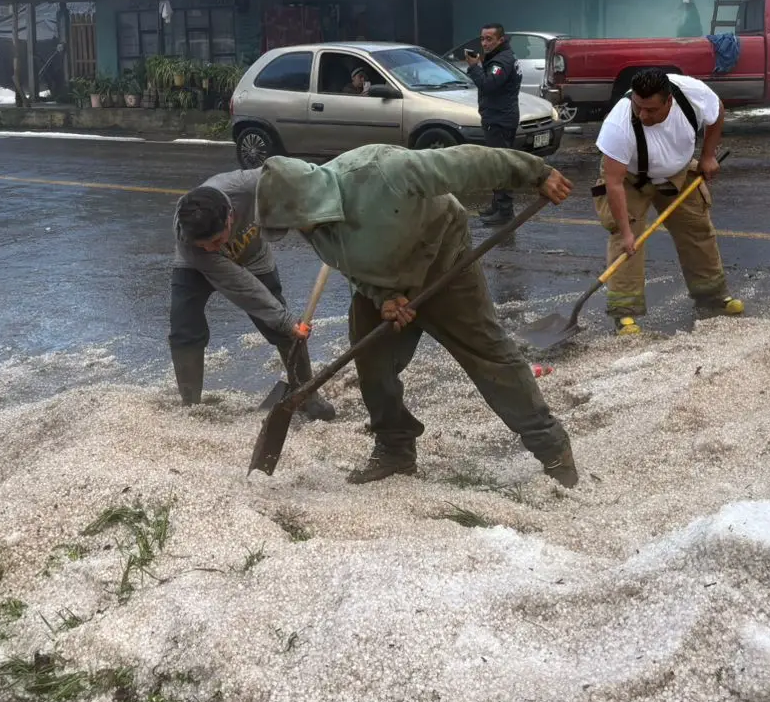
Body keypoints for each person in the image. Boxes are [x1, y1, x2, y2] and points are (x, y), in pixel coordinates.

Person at [256, 144, 578, 487]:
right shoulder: (314, 226)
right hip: (385, 284)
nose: (298, 232)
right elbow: (350, 265)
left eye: (296, 223)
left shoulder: (382, 171)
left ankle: (551, 447)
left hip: (445, 265)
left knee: (489, 356)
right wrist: (383, 297)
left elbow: (468, 163)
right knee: (371, 361)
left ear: (307, 201)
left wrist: (535, 173)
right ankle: (395, 448)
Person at [169, 171, 335, 421]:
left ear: (230, 216)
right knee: (184, 327)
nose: (213, 248)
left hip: (253, 255)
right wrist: (284, 318)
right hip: (197, 267)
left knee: (284, 330)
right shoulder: (189, 241)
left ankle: (306, 395)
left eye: (216, 241)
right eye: (204, 244)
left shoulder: (251, 184)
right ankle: (191, 407)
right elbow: (240, 286)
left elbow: (304, 179)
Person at [592, 68, 741, 336]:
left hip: (677, 173)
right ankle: (625, 313)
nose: (643, 114)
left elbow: (717, 112)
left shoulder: (692, 94)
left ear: (669, 101)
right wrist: (626, 233)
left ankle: (713, 298)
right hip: (630, 179)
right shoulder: (618, 124)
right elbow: (614, 183)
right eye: (639, 106)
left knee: (697, 230)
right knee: (627, 240)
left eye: (650, 110)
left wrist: (708, 156)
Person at [463, 22, 523, 227]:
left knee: (500, 165)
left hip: (500, 119)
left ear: (501, 40)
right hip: (498, 116)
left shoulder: (502, 61)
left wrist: (474, 67)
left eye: (489, 39)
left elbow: (488, 85)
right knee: (497, 163)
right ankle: (497, 205)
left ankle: (505, 210)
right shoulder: (501, 57)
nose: (485, 43)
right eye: (482, 38)